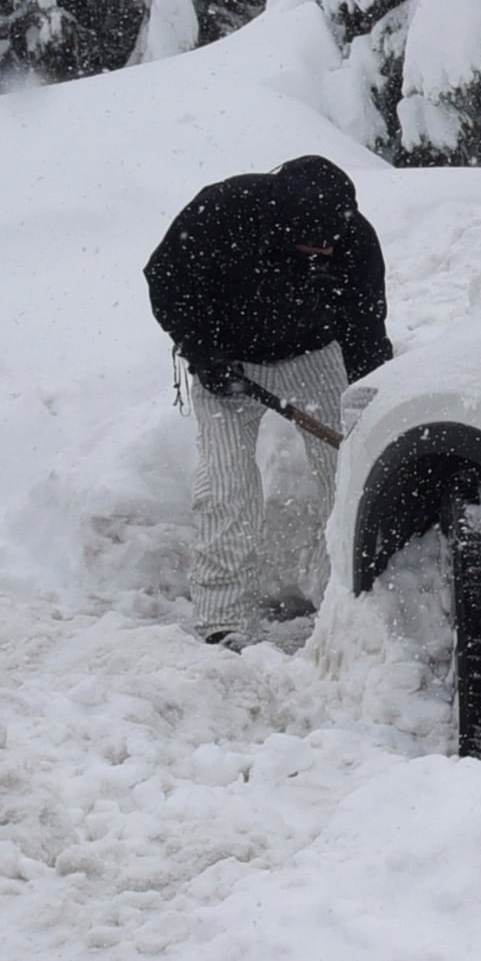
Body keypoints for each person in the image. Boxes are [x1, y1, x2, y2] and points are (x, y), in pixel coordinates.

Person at [144, 155, 391, 625]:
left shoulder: (354, 239)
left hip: (313, 356)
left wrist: (368, 401)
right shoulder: (223, 211)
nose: (320, 255)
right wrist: (202, 353)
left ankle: (349, 608)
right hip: (227, 362)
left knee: (346, 478)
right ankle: (222, 620)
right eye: (309, 247)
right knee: (225, 487)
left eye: (327, 248)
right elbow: (166, 281)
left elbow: (366, 330)